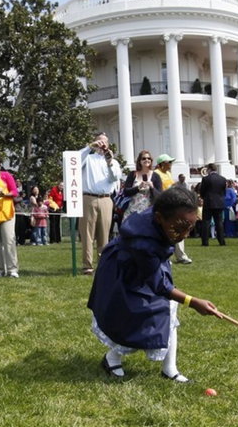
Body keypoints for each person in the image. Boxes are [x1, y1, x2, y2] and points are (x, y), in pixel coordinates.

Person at [87, 187, 222, 382]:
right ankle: (112, 357)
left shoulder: (165, 214)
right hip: (123, 274)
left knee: (168, 307)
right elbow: (160, 286)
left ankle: (170, 368)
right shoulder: (143, 242)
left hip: (143, 266)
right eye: (180, 227)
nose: (184, 234)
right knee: (137, 319)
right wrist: (193, 302)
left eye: (190, 228)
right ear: (159, 218)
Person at [79, 132, 123, 275]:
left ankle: (103, 264)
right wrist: (89, 147)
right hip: (88, 198)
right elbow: (74, 161)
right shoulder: (88, 158)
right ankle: (87, 265)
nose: (102, 145)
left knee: (104, 234)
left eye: (105, 142)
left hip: (106, 199)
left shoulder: (114, 162)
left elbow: (115, 177)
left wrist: (109, 162)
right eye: (99, 141)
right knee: (87, 233)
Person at [154, 153, 192, 264]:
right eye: (169, 162)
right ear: (162, 164)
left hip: (172, 204)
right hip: (163, 205)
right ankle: (165, 256)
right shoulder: (156, 174)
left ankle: (181, 256)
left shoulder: (169, 174)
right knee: (164, 232)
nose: (171, 164)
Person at [199, 163, 227, 246]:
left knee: (206, 222)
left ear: (209, 169)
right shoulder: (222, 179)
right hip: (219, 202)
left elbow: (202, 191)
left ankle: (205, 242)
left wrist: (204, 197)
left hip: (208, 202)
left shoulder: (206, 179)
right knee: (219, 222)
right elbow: (223, 191)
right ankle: (221, 241)